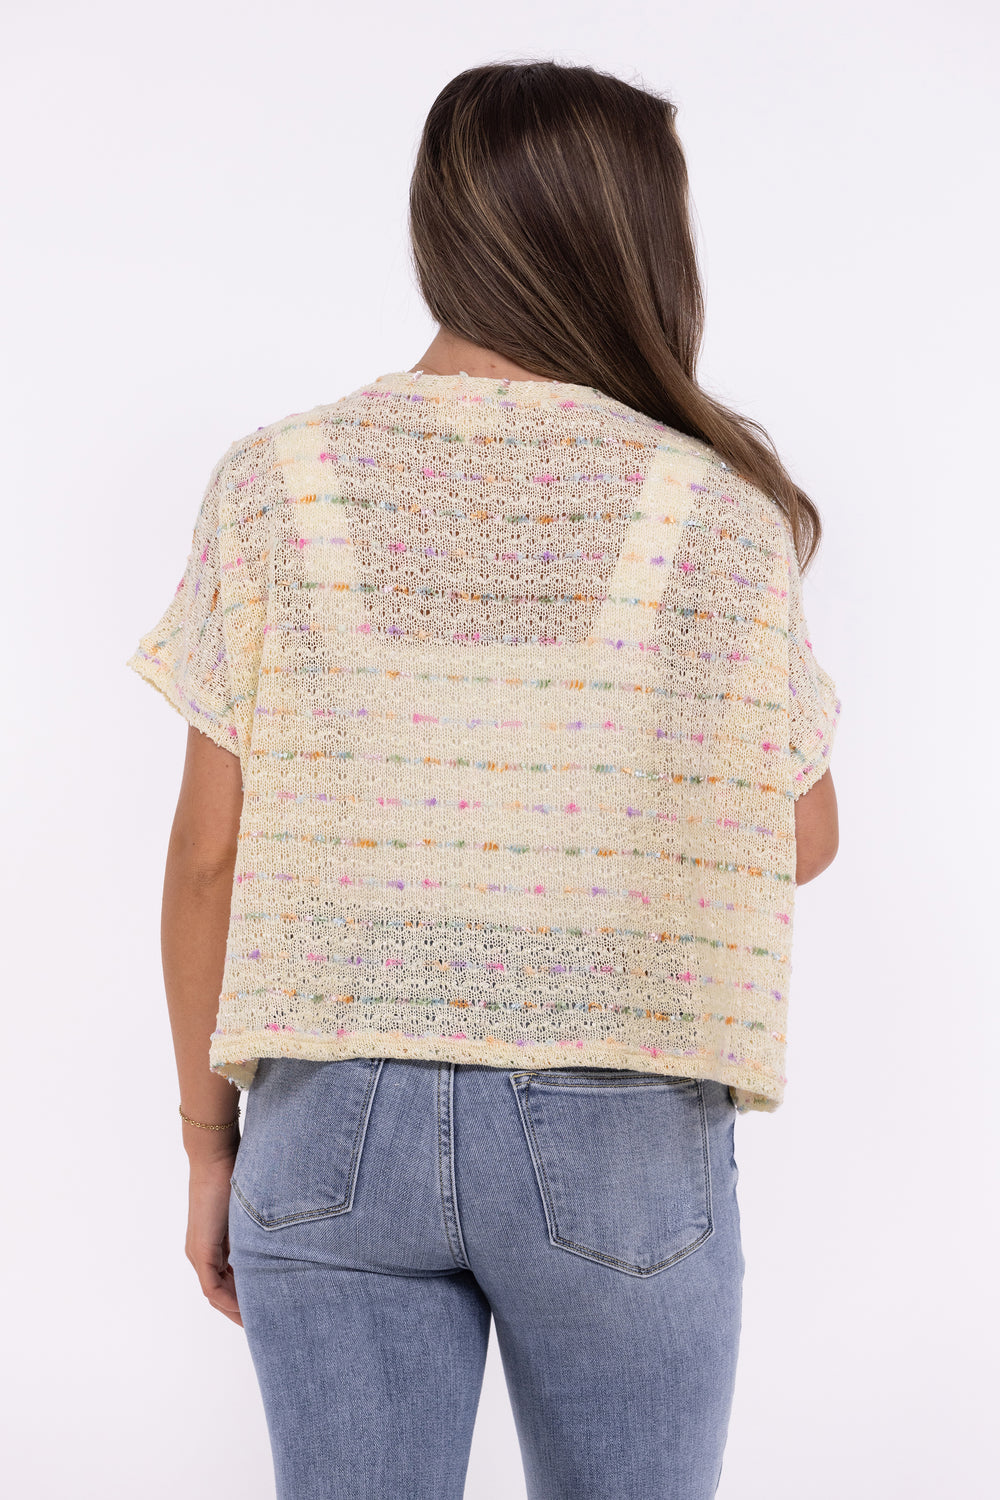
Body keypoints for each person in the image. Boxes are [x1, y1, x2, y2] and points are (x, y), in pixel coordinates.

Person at [126, 58, 841, 1500]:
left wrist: (210, 1147)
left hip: (331, 1118)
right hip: (619, 1120)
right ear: (638, 239)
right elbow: (796, 838)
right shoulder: (715, 512)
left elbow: (210, 855)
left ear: (440, 226)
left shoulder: (277, 483)